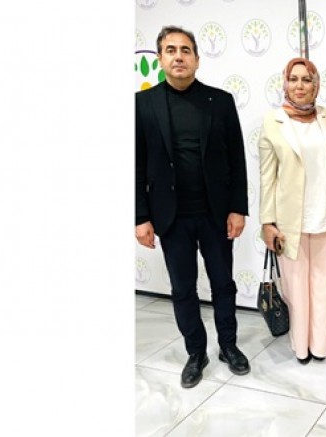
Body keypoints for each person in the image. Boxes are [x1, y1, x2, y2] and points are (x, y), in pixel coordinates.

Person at [135, 25, 250, 389]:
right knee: (183, 289)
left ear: (197, 59)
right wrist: (140, 216)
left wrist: (238, 208)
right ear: (160, 59)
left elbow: (237, 160)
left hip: (215, 214)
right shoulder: (142, 104)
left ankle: (228, 346)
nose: (179, 56)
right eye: (171, 50)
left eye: (186, 50)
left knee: (223, 285)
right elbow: (136, 164)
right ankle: (196, 352)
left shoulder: (220, 101)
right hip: (171, 218)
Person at [258, 57, 326, 365]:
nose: (300, 85)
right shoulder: (273, 120)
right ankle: (301, 348)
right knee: (296, 289)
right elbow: (267, 176)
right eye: (293, 79)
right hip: (290, 221)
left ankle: (319, 347)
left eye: (307, 79)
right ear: (285, 83)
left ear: (316, 85)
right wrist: (267, 222)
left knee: (323, 287)